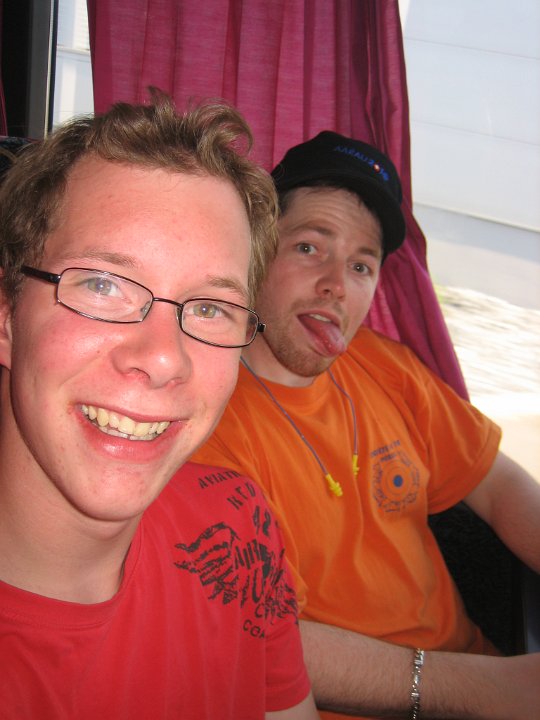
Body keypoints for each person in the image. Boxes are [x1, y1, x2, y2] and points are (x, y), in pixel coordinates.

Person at [193, 131, 540, 719]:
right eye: (309, 247)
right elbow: (265, 639)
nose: (336, 285)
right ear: (257, 249)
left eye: (361, 265)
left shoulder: (386, 367)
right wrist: (491, 691)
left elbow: (500, 485)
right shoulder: (207, 422)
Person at [0, 93, 319, 720]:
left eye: (210, 307)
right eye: (103, 284)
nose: (165, 358)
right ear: (8, 318)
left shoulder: (238, 526)